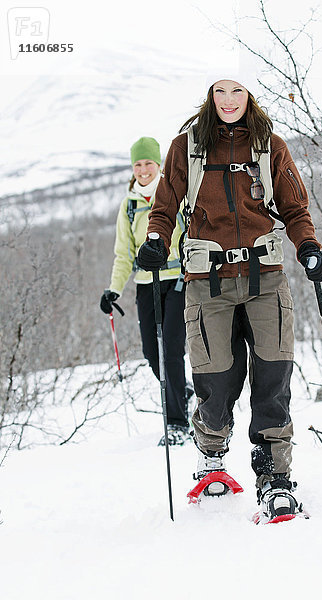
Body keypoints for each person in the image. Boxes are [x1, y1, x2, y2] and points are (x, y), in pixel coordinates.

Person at [137, 73, 322, 519]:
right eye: (219, 90)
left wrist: (308, 247)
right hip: (208, 282)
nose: (227, 100)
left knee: (272, 376)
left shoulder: (269, 144)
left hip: (265, 278)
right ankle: (211, 453)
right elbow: (164, 205)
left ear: (250, 95)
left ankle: (274, 473)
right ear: (208, 94)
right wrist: (155, 241)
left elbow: (294, 206)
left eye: (237, 90)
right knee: (216, 379)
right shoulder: (186, 147)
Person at [100, 136, 192, 446]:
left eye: (148, 164)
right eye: (137, 164)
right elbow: (124, 254)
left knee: (172, 349)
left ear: (159, 165)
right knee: (153, 354)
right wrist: (113, 290)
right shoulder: (129, 206)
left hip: (178, 280)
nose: (143, 170)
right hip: (145, 285)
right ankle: (183, 392)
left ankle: (178, 423)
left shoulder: (174, 195)